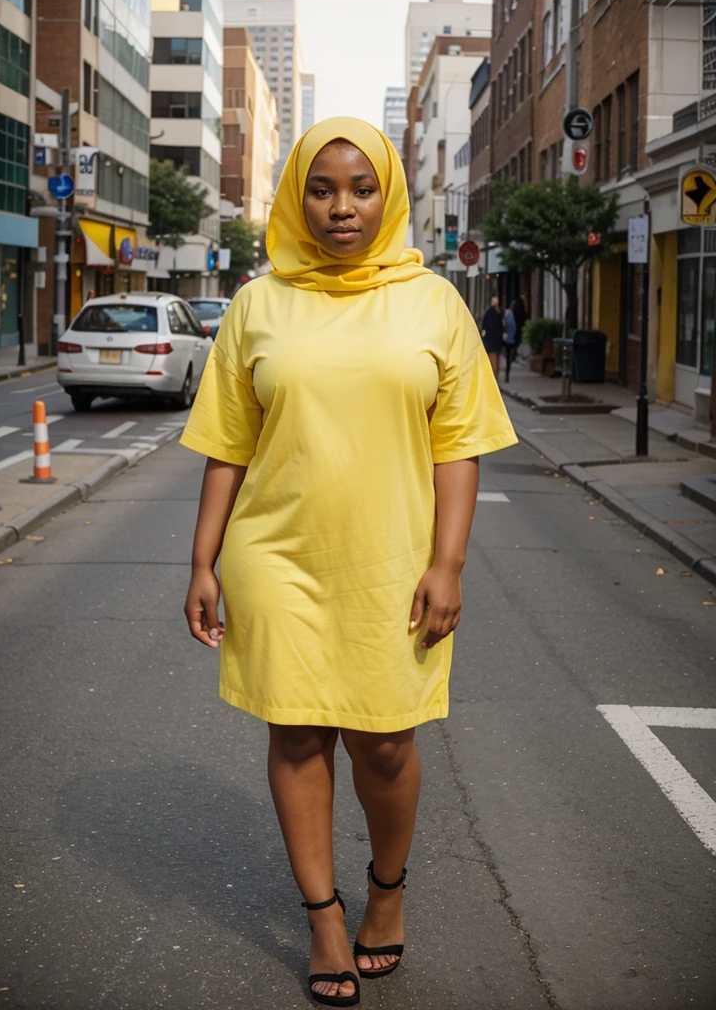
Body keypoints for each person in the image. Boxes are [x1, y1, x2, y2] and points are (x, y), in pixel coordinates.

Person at [181, 118, 517, 1008]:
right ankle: (324, 916)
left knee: (385, 741)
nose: (341, 207)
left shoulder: (434, 303)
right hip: (274, 559)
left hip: (394, 563)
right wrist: (203, 561)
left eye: (361, 189)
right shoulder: (258, 303)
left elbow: (461, 446)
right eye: (322, 189)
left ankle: (387, 893)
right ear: (298, 197)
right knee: (294, 734)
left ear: (389, 196)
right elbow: (227, 443)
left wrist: (448, 564)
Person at [481, 296, 504, 378]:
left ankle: (495, 377)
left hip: (494, 341)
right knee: (494, 361)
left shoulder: (497, 313)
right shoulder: (494, 313)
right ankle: (494, 377)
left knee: (494, 361)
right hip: (493, 342)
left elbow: (484, 327)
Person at [503, 303, 518, 383]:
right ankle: (506, 375)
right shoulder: (508, 314)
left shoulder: (509, 314)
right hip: (508, 340)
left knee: (509, 358)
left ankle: (506, 374)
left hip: (510, 340)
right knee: (508, 358)